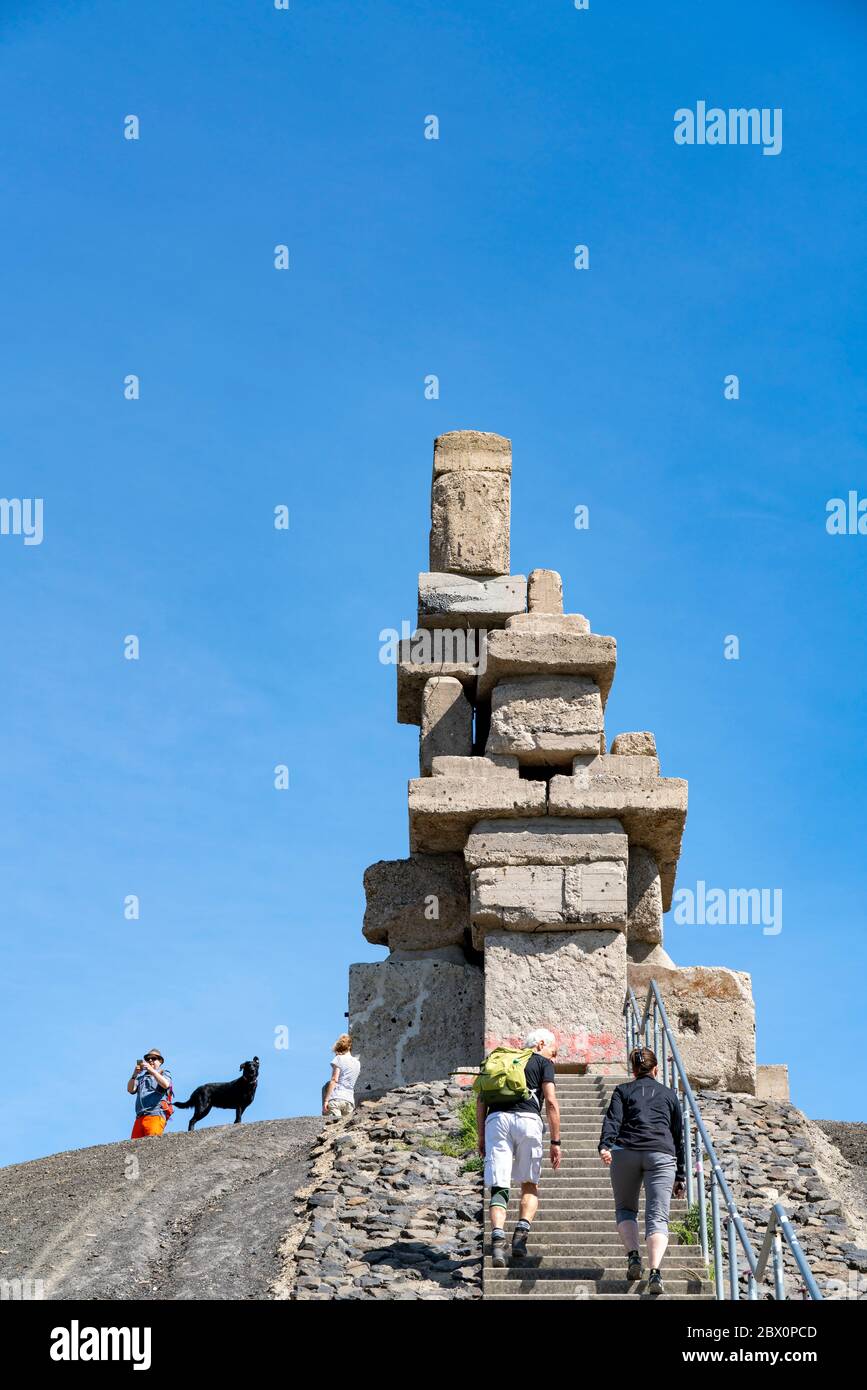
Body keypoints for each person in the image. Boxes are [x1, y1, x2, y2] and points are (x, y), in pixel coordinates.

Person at [598, 1044, 686, 1295]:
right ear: (656, 1069)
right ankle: (655, 1271)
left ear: (633, 1069)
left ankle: (634, 1257)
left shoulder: (622, 1091)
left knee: (626, 1209)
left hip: (625, 1153)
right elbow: (677, 1135)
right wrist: (680, 1174)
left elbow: (613, 1120)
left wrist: (605, 1145)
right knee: (658, 1217)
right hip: (661, 1154)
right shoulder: (669, 1095)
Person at [476, 1029, 561, 1268]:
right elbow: (551, 1102)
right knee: (529, 1183)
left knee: (499, 1186)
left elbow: (481, 1099)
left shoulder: (498, 1059)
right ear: (541, 1044)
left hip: (496, 1122)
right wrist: (556, 1141)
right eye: (553, 1052)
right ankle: (520, 1238)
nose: (553, 1058)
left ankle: (497, 1240)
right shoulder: (542, 1063)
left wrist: (481, 1136)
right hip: (528, 1122)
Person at [127, 1048, 173, 1139]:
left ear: (160, 1061)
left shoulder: (164, 1073)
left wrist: (152, 1071)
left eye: (153, 1058)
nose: (150, 1060)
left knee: (152, 1145)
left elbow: (166, 1084)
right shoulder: (141, 1078)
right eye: (148, 1059)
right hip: (140, 1117)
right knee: (133, 1148)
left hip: (155, 1114)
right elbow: (130, 1089)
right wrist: (135, 1074)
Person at [322, 1034, 360, 1120]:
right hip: (349, 1101)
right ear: (350, 1046)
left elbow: (334, 1080)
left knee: (333, 1127)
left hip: (337, 1098)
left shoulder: (339, 1058)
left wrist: (326, 1100)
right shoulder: (357, 1063)